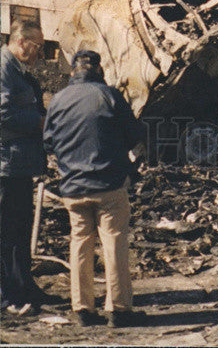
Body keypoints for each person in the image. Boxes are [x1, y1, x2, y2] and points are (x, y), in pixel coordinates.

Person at [43, 50, 145, 328]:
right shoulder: (110, 96)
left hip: (73, 187)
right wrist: (127, 169)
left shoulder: (58, 99)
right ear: (98, 70)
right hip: (109, 185)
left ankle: (82, 309)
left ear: (73, 71)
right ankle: (119, 310)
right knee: (113, 244)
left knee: (79, 243)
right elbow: (135, 137)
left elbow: (49, 143)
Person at [1, 20, 49, 315]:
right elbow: (3, 113)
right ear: (21, 42)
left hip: (17, 164)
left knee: (20, 228)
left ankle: (24, 286)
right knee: (6, 230)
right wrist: (40, 123)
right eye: (38, 47)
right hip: (5, 164)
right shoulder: (4, 68)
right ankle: (6, 295)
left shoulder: (16, 69)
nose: (39, 54)